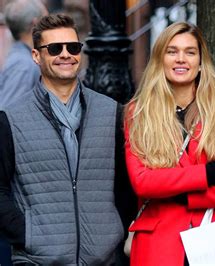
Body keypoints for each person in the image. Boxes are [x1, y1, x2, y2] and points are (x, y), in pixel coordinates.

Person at [124, 22, 215, 266]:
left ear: (201, 61)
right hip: (159, 244)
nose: (181, 59)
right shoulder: (138, 111)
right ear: (160, 59)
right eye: (172, 51)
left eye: (190, 52)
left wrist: (184, 197)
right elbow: (142, 182)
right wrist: (206, 174)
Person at [0, 14, 126, 264]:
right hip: (37, 259)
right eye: (55, 48)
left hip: (104, 258)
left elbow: (124, 186)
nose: (65, 54)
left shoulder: (111, 112)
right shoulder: (10, 119)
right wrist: (30, 235)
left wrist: (113, 232)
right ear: (37, 56)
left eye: (73, 47)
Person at [0, 0, 47, 109]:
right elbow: (8, 114)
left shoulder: (23, 60)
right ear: (35, 24)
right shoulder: (24, 65)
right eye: (46, 20)